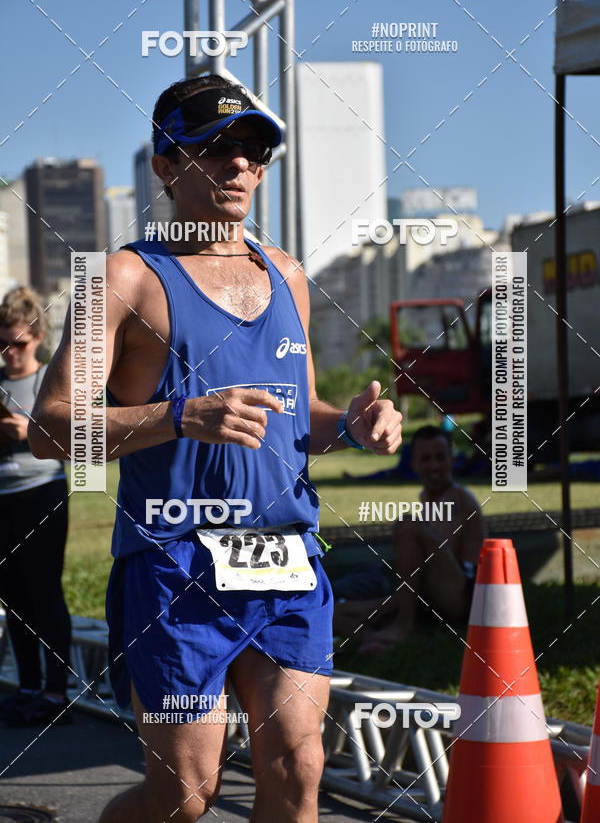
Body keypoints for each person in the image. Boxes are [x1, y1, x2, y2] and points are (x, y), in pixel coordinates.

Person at [29, 73, 403, 823]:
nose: (241, 165)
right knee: (184, 798)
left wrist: (352, 425)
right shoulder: (123, 278)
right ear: (167, 165)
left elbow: (299, 413)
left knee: (299, 770)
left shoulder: (287, 273)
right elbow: (50, 427)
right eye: (217, 147)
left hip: (286, 556)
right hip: (176, 563)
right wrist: (179, 415)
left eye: (256, 149)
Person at [333, 425, 486, 653]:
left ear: (452, 460)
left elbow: (435, 566)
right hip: (427, 600)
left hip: (460, 598)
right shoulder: (428, 502)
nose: (433, 465)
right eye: (425, 459)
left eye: (440, 458)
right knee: (332, 613)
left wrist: (392, 605)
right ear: (413, 464)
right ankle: (377, 640)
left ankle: (403, 627)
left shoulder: (458, 499)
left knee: (407, 524)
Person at [0, 286, 71, 726]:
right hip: (2, 500)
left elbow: (81, 447)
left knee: (45, 594)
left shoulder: (50, 381)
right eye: (2, 344)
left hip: (42, 495)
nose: (10, 353)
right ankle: (28, 688)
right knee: (13, 599)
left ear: (39, 338)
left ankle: (56, 693)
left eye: (19, 344)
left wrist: (28, 434)